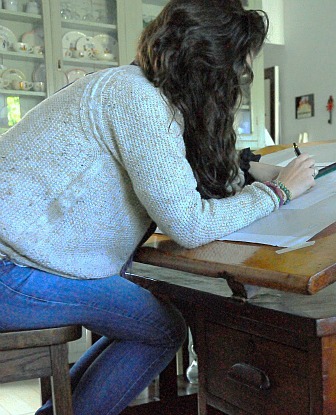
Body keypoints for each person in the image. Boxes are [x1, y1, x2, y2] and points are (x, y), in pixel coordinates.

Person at [0, 1, 315, 414]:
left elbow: (182, 169)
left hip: (18, 263)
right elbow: (188, 224)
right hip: (12, 272)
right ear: (210, 63)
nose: (238, 80)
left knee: (145, 322)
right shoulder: (137, 99)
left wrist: (253, 168)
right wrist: (278, 194)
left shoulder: (134, 89)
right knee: (161, 330)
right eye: (237, 67)